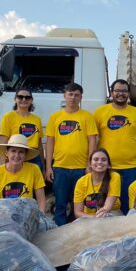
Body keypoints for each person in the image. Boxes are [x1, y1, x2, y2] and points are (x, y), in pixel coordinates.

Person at [45, 82, 99, 226]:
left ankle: (79, 233)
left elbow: (92, 141)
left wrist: (90, 165)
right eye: (70, 94)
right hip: (60, 168)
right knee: (60, 205)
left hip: (81, 169)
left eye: (76, 95)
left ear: (81, 97)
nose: (73, 98)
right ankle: (59, 232)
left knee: (81, 206)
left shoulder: (87, 117)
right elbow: (50, 142)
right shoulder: (55, 117)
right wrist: (48, 166)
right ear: (64, 95)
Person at [94, 79, 136, 200]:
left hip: (131, 168)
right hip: (106, 167)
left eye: (124, 91)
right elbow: (92, 138)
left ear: (128, 93)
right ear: (111, 93)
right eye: (117, 91)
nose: (121, 94)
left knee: (128, 202)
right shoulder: (99, 112)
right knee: (104, 202)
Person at [0, 134, 46, 212]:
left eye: (21, 152)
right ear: (6, 153)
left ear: (25, 155)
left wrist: (41, 218)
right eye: (13, 151)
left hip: (27, 215)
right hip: (3, 216)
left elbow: (41, 201)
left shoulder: (34, 169)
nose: (17, 155)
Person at [0, 89, 45, 172]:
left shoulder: (37, 120)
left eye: (27, 97)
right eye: (20, 97)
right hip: (16, 156)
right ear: (15, 99)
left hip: (35, 158)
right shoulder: (8, 117)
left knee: (35, 184)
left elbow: (39, 145)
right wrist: (3, 166)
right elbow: (3, 144)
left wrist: (43, 167)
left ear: (31, 100)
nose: (24, 99)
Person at [73, 148, 120, 218]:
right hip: (88, 216)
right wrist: (93, 218)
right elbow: (78, 212)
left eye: (103, 160)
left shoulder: (114, 176)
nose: (99, 162)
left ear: (108, 165)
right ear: (90, 164)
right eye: (96, 159)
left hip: (111, 212)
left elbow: (107, 208)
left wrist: (97, 219)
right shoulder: (81, 182)